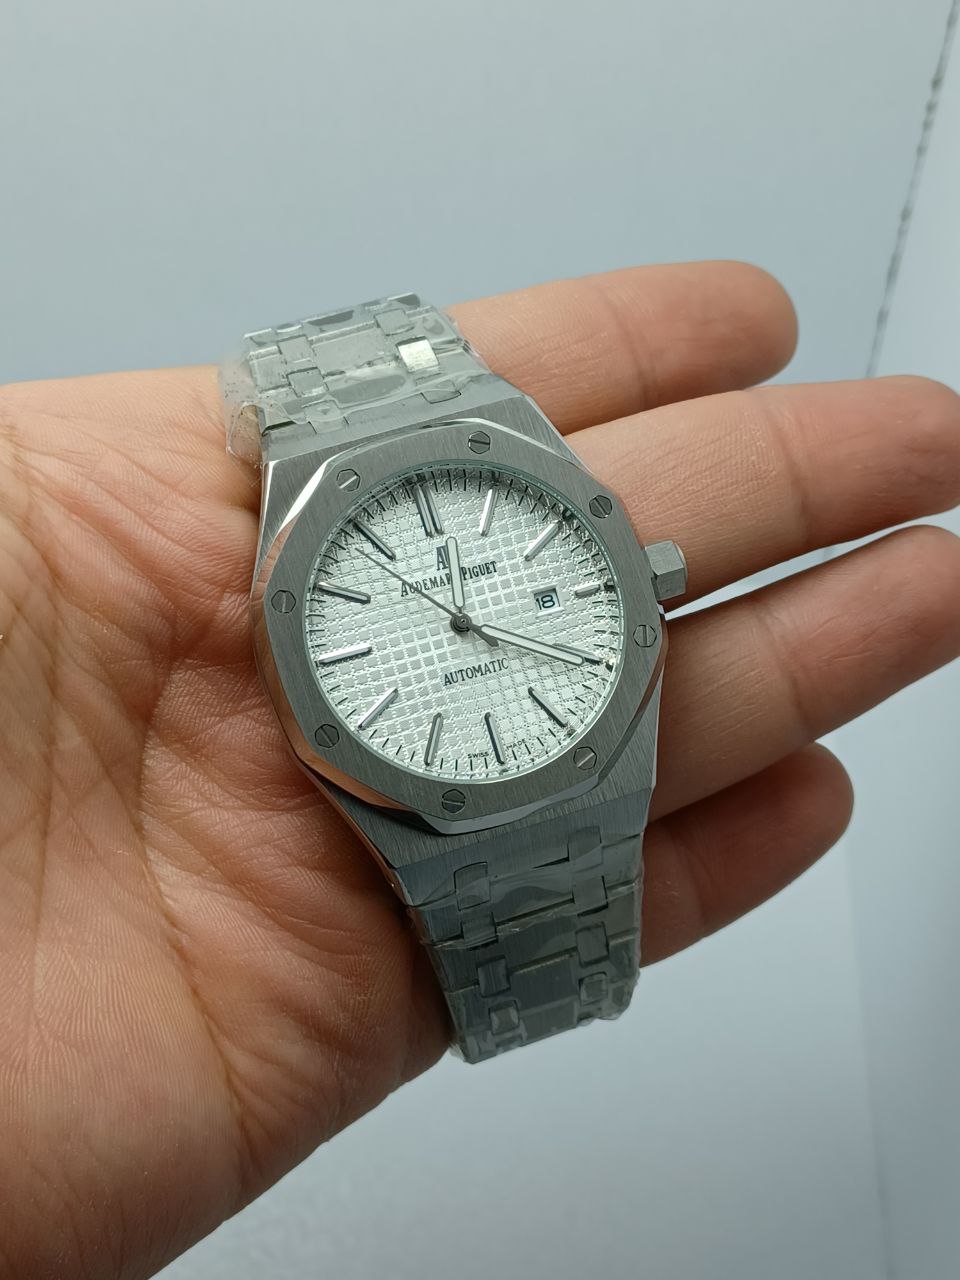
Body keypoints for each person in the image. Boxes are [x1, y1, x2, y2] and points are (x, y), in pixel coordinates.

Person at [1, 261, 959, 1279]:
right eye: (454, 623)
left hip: (582, 740)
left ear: (647, 578)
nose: (463, 626)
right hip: (437, 795)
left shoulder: (582, 565)